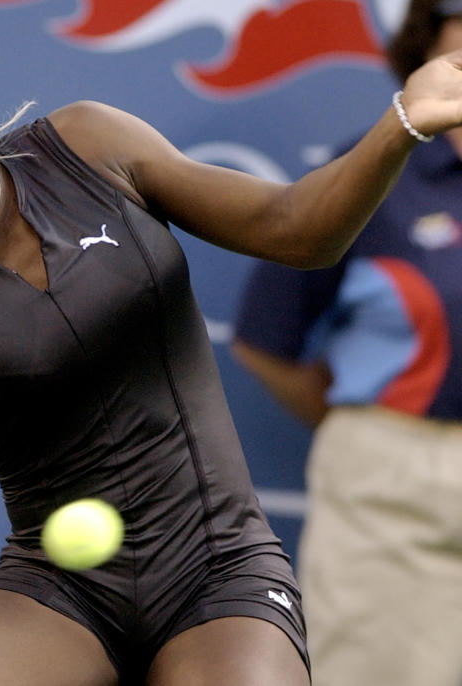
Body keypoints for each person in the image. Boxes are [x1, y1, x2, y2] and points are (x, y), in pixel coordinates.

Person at [0, 20, 462, 686]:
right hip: (58, 587)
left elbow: (297, 230)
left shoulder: (88, 145)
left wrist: (400, 124)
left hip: (220, 566)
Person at [231, 2, 462, 685]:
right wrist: (371, 434)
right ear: (427, 45)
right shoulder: (374, 165)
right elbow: (266, 335)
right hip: (396, 488)